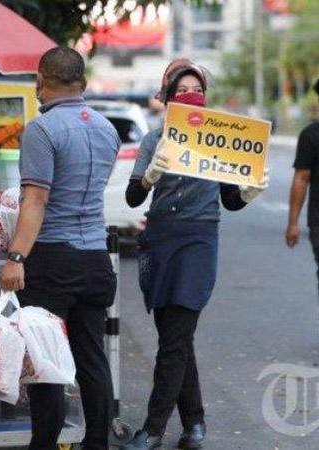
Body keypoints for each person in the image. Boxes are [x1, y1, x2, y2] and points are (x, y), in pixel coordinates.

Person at [120, 61, 269, 450]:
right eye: (182, 89)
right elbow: (133, 196)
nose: (190, 95)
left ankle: (152, 430)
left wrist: (248, 193)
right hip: (160, 242)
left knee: (173, 341)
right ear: (168, 96)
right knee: (176, 339)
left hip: (198, 242)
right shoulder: (155, 140)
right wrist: (150, 175)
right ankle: (195, 424)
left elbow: (229, 201)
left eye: (196, 89)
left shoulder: (216, 140)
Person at [1, 46, 120, 450]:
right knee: (91, 357)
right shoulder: (107, 129)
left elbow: (35, 200)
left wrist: (16, 255)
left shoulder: (42, 129)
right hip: (95, 259)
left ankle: (44, 444)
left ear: (40, 81)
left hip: (53, 259)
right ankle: (98, 442)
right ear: (82, 83)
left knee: (47, 360)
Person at [286, 79, 319, 296]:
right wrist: (293, 223)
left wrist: (293, 224)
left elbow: (301, 178)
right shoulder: (311, 135)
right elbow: (301, 178)